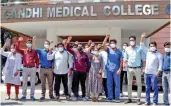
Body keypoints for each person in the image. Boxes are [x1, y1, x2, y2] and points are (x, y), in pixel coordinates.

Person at [124, 33, 147, 105]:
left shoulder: (139, 48)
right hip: (129, 68)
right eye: (130, 40)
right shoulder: (127, 49)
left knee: (139, 84)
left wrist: (143, 68)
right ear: (129, 41)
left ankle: (138, 99)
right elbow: (125, 58)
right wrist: (124, 63)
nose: (132, 41)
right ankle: (129, 98)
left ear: (135, 40)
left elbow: (143, 59)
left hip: (138, 68)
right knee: (129, 84)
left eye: (133, 40)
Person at [66, 36, 91, 101]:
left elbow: (88, 63)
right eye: (78, 46)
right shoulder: (75, 52)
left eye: (80, 46)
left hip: (83, 71)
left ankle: (83, 96)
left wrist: (87, 71)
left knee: (83, 84)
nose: (79, 47)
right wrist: (68, 41)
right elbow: (67, 48)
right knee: (75, 84)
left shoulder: (85, 54)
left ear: (82, 47)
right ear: (77, 47)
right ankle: (75, 95)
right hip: (76, 71)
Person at [32, 37, 54, 101]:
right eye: (45, 43)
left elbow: (53, 60)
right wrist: (34, 41)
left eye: (47, 43)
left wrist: (52, 68)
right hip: (42, 69)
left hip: (49, 69)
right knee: (43, 83)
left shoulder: (51, 52)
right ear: (44, 45)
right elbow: (34, 48)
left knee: (50, 83)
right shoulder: (41, 51)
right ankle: (42, 95)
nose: (46, 44)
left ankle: (51, 95)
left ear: (49, 45)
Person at [102, 34, 123, 103]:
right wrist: (106, 38)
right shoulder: (108, 50)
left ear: (115, 44)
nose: (112, 44)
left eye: (113, 43)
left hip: (116, 70)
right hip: (109, 69)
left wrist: (120, 69)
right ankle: (110, 97)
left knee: (117, 84)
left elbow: (121, 61)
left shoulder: (119, 51)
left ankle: (117, 98)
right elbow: (103, 45)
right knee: (109, 84)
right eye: (111, 43)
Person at [144, 41, 162, 106]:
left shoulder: (159, 55)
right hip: (146, 73)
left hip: (154, 74)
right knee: (147, 88)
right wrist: (144, 69)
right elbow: (146, 62)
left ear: (156, 46)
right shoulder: (148, 53)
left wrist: (158, 72)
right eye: (151, 46)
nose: (152, 47)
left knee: (154, 88)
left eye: (153, 46)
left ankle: (155, 102)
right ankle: (147, 101)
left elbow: (160, 65)